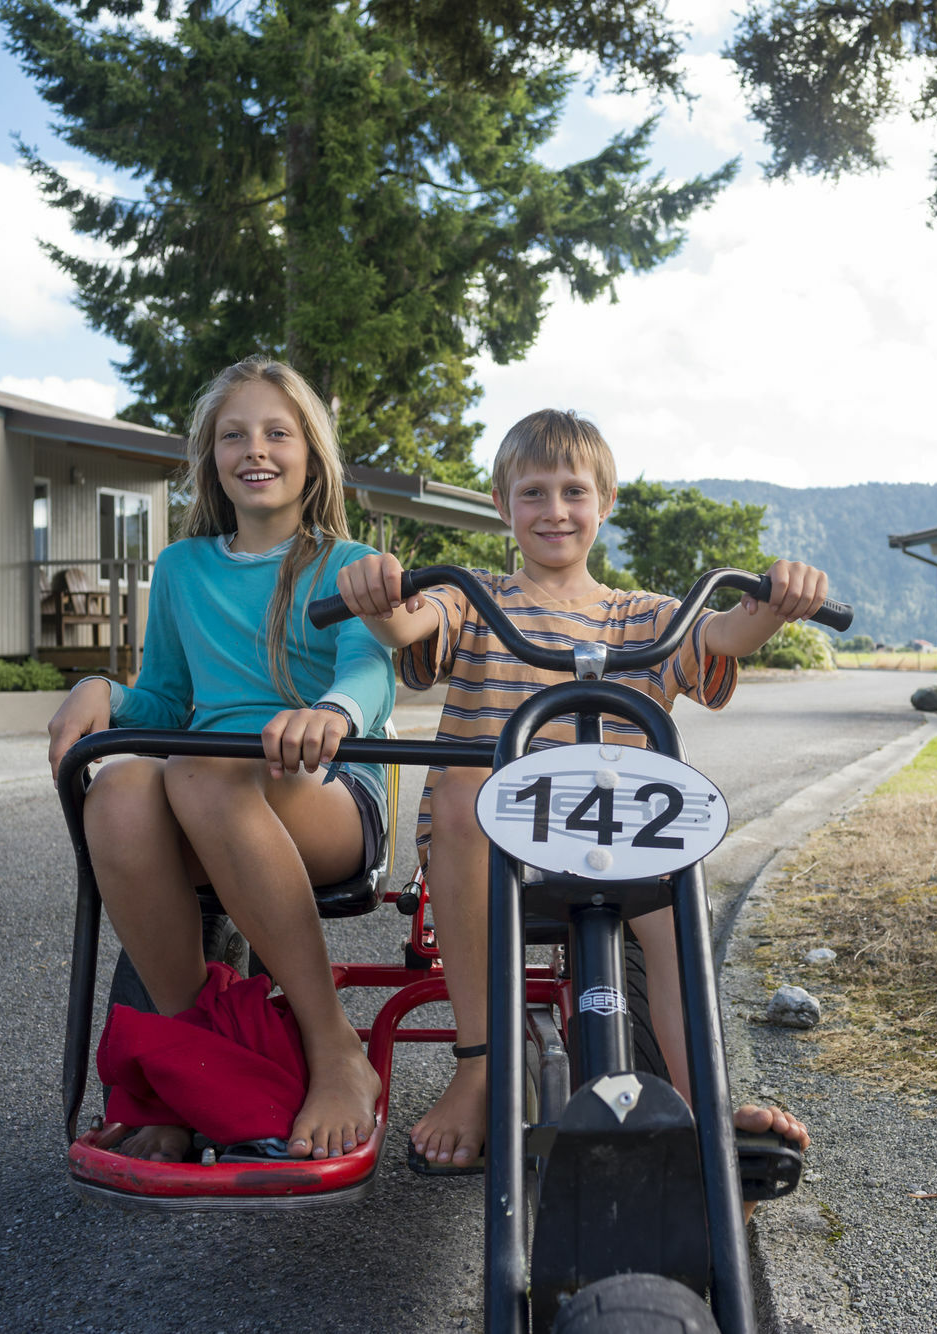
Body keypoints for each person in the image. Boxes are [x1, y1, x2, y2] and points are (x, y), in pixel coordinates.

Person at [333, 408, 819, 1193]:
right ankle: (482, 1066)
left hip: (618, 840)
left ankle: (704, 1106)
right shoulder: (476, 600)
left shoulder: (646, 617)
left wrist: (775, 602)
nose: (554, 510)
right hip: (493, 842)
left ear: (606, 503)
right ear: (502, 505)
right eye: (532, 493)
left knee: (672, 912)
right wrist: (379, 594)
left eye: (573, 492)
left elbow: (725, 633)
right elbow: (407, 622)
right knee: (463, 785)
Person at [45, 356, 394, 1164]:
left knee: (195, 770)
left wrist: (330, 714)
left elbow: (368, 670)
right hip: (205, 789)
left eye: (278, 432)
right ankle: (193, 1066)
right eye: (234, 435)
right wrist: (101, 688)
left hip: (325, 790)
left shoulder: (344, 564)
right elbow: (166, 701)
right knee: (123, 783)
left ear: (311, 453)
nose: (256, 450)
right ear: (211, 459)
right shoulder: (183, 568)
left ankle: (332, 1046)